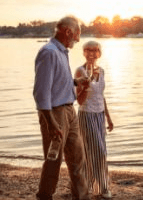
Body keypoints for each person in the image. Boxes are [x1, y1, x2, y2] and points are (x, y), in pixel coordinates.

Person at [33, 15, 91, 200]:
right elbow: (41, 92)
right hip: (54, 113)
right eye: (78, 33)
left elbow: (57, 82)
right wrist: (50, 122)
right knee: (53, 161)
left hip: (69, 111)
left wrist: (76, 81)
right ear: (68, 31)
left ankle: (81, 197)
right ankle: (44, 196)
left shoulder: (61, 52)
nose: (78, 38)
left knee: (78, 159)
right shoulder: (49, 52)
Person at [74, 41, 114, 199]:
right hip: (86, 115)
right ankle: (103, 188)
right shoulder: (80, 71)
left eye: (95, 50)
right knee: (98, 151)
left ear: (99, 53)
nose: (91, 53)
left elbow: (101, 96)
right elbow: (79, 101)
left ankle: (89, 186)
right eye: (88, 50)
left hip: (99, 116)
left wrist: (108, 118)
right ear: (83, 52)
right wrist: (85, 85)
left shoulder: (102, 71)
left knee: (96, 151)